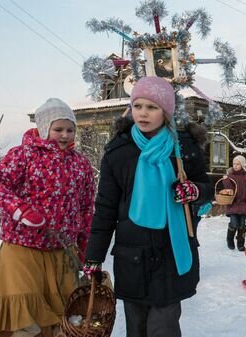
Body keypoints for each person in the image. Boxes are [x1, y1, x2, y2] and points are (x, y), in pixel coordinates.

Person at [82, 76, 214, 337]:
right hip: (132, 255)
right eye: (137, 106)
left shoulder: (184, 147)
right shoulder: (118, 151)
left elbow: (205, 186)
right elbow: (106, 207)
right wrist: (94, 256)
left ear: (165, 112)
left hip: (171, 252)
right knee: (137, 327)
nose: (143, 113)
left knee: (163, 326)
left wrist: (195, 191)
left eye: (152, 107)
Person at [0, 98, 94, 337]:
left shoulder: (80, 164)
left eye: (70, 129)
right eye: (58, 129)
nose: (65, 135)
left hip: (61, 252)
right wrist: (19, 210)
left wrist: (85, 248)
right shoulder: (22, 156)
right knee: (25, 321)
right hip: (22, 251)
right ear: (44, 128)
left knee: (65, 318)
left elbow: (86, 210)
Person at [222, 155, 246, 251]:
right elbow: (229, 190)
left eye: (238, 164)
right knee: (234, 223)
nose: (235, 166)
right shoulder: (230, 176)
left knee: (242, 225)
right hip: (233, 204)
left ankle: (240, 243)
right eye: (234, 164)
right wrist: (226, 180)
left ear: (243, 165)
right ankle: (230, 239)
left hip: (244, 205)